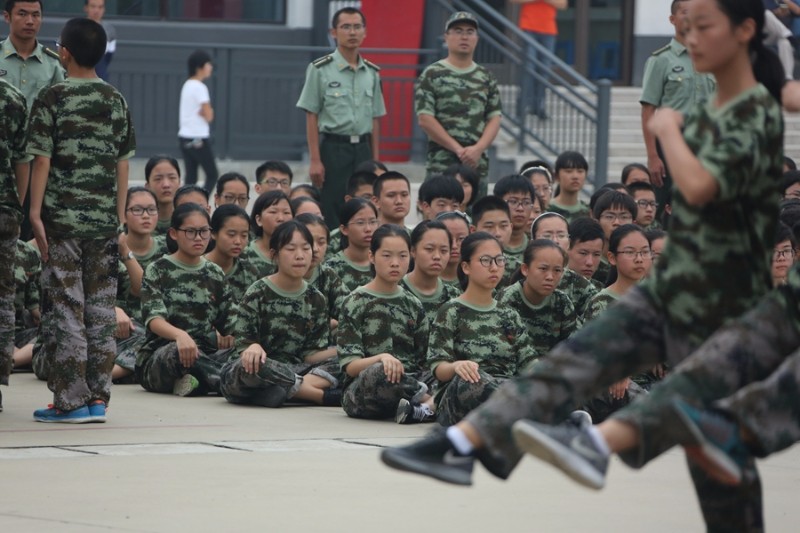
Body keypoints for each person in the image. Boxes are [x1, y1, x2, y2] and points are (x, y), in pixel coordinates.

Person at [380, 2, 784, 530]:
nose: (691, 39)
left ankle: (575, 446)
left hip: (718, 299)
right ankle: (462, 443)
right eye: (686, 26)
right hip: (675, 289)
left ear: (745, 32)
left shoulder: (752, 111)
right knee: (574, 359)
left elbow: (702, 187)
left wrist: (669, 132)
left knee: (712, 443)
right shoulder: (718, 107)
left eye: (704, 27)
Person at [28, 17, 135, 423]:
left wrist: (35, 213)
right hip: (105, 224)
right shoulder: (115, 99)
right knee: (101, 312)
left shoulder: (52, 96)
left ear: (64, 53)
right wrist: (119, 218)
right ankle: (97, 400)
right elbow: (124, 163)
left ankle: (70, 402)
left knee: (68, 310)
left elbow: (41, 159)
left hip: (63, 221)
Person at [219, 220, 340, 408]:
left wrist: (345, 352)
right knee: (249, 367)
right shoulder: (257, 293)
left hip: (294, 368)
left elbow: (310, 355)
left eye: (305, 249)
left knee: (343, 363)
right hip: (257, 368)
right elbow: (243, 347)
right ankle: (317, 396)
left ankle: (282, 392)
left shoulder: (316, 298)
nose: (300, 256)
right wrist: (253, 347)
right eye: (291, 249)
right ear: (274, 255)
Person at [430, 232, 538, 426]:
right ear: (466, 267)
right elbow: (438, 367)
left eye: (499, 260)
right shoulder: (451, 311)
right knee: (471, 382)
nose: (494, 267)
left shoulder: (509, 315)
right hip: (462, 395)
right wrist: (456, 366)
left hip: (505, 387)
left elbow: (529, 363)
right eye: (486, 260)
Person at [296, 6, 385, 229]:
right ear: (333, 32)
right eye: (346, 27)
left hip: (363, 148)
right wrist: (315, 160)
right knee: (333, 205)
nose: (352, 32)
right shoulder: (320, 69)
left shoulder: (372, 73)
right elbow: (311, 115)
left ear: (365, 32)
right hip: (334, 149)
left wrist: (375, 162)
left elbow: (375, 119)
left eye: (357, 27)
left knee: (366, 206)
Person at [136, 203, 236, 397]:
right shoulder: (157, 270)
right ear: (174, 233)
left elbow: (231, 321)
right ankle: (233, 384)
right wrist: (180, 336)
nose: (198, 238)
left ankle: (201, 382)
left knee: (246, 355)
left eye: (204, 231)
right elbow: (154, 319)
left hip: (205, 354)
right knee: (177, 352)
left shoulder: (214, 272)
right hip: (162, 356)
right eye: (191, 232)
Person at [337, 224, 432, 421]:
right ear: (372, 257)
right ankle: (429, 403)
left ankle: (418, 407)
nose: (395, 263)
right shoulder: (355, 302)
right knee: (380, 372)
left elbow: (424, 361)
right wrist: (382, 358)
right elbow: (350, 366)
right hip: (365, 392)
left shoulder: (413, 304)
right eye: (387, 256)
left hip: (409, 379)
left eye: (402, 256)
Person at [641, 0, 715, 216]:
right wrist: (653, 155)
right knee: (666, 206)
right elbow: (648, 111)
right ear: (672, 19)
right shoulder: (661, 60)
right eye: (685, 12)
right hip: (671, 143)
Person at [416, 11, 502, 198]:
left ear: (477, 38)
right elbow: (425, 118)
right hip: (441, 162)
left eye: (470, 31)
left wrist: (478, 149)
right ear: (446, 37)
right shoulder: (432, 74)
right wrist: (458, 149)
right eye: (457, 31)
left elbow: (494, 118)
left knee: (477, 219)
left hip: (476, 164)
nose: (464, 36)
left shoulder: (486, 77)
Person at [112, 187, 168, 383]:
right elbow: (139, 290)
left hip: (151, 325)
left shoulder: (166, 248)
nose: (146, 216)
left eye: (151, 210)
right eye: (137, 210)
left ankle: (115, 372)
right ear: (123, 215)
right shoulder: (109, 249)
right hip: (119, 325)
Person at [0, 77, 29, 411]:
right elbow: (23, 161)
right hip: (4, 211)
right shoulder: (12, 97)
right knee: (2, 301)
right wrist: (16, 206)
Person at [499, 239, 577, 356]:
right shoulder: (508, 299)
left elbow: (573, 347)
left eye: (557, 270)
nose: (550, 277)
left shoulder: (562, 302)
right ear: (525, 269)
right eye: (543, 269)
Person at [532, 213, 598, 317]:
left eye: (561, 235)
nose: (555, 241)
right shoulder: (520, 277)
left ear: (569, 242)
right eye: (547, 236)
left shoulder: (582, 286)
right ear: (533, 242)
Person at [512, 0, 567, 119]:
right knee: (529, 68)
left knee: (544, 70)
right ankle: (522, 106)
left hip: (549, 29)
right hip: (528, 27)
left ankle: (539, 106)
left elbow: (563, 4)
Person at [400, 220, 460, 325]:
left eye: (444, 251)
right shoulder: (396, 291)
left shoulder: (454, 296)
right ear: (413, 251)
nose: (437, 256)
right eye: (429, 249)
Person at [178, 50, 218, 193]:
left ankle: (184, 204)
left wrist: (205, 112)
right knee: (212, 175)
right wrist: (209, 111)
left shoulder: (187, 85)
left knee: (191, 178)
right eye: (208, 64)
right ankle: (201, 201)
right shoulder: (200, 87)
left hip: (184, 136)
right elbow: (209, 116)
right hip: (197, 137)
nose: (211, 68)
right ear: (199, 67)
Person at [204, 205, 259, 301]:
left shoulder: (250, 273)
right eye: (231, 234)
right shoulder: (198, 268)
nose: (238, 241)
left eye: (244, 235)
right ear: (213, 233)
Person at [323, 197, 377, 292]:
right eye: (360, 223)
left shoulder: (382, 263)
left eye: (372, 222)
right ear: (344, 229)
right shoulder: (331, 268)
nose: (368, 229)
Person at [242, 190, 293, 278]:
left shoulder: (298, 254)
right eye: (273, 212)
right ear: (259, 220)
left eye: (286, 213)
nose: (281, 218)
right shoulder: (244, 254)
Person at [470, 196, 514, 288]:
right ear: (473, 230)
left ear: (511, 227)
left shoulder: (518, 270)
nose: (497, 233)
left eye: (503, 226)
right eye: (489, 227)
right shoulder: (467, 267)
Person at [493, 174, 537, 267]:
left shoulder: (536, 249)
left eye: (526, 202)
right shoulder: (486, 246)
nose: (520, 208)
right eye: (513, 201)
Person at [547, 151, 591, 223]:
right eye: (569, 171)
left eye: (580, 171)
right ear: (557, 176)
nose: (575, 176)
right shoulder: (547, 210)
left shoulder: (588, 212)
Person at [144, 155, 181, 235]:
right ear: (147, 186)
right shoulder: (139, 223)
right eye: (158, 179)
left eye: (172, 178)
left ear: (179, 183)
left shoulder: (186, 221)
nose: (166, 185)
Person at [437, 211, 471, 289]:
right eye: (448, 238)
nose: (454, 246)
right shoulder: (424, 279)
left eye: (461, 238)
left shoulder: (477, 280)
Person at [83, 0, 115, 82]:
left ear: (104, 9)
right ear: (86, 8)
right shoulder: (75, 28)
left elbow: (109, 55)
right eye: (93, 6)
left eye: (100, 7)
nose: (96, 11)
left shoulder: (109, 30)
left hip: (100, 76)